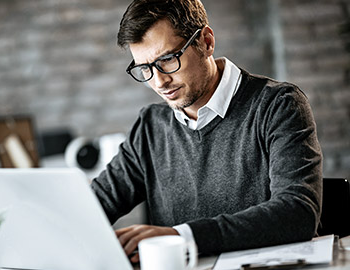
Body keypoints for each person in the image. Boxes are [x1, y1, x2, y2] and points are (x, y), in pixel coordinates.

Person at [90, 0, 323, 263]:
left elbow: (297, 213)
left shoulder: (278, 105)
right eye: (145, 68)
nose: (159, 81)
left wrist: (183, 237)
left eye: (167, 59)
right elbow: (94, 205)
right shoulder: (150, 127)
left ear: (207, 42)